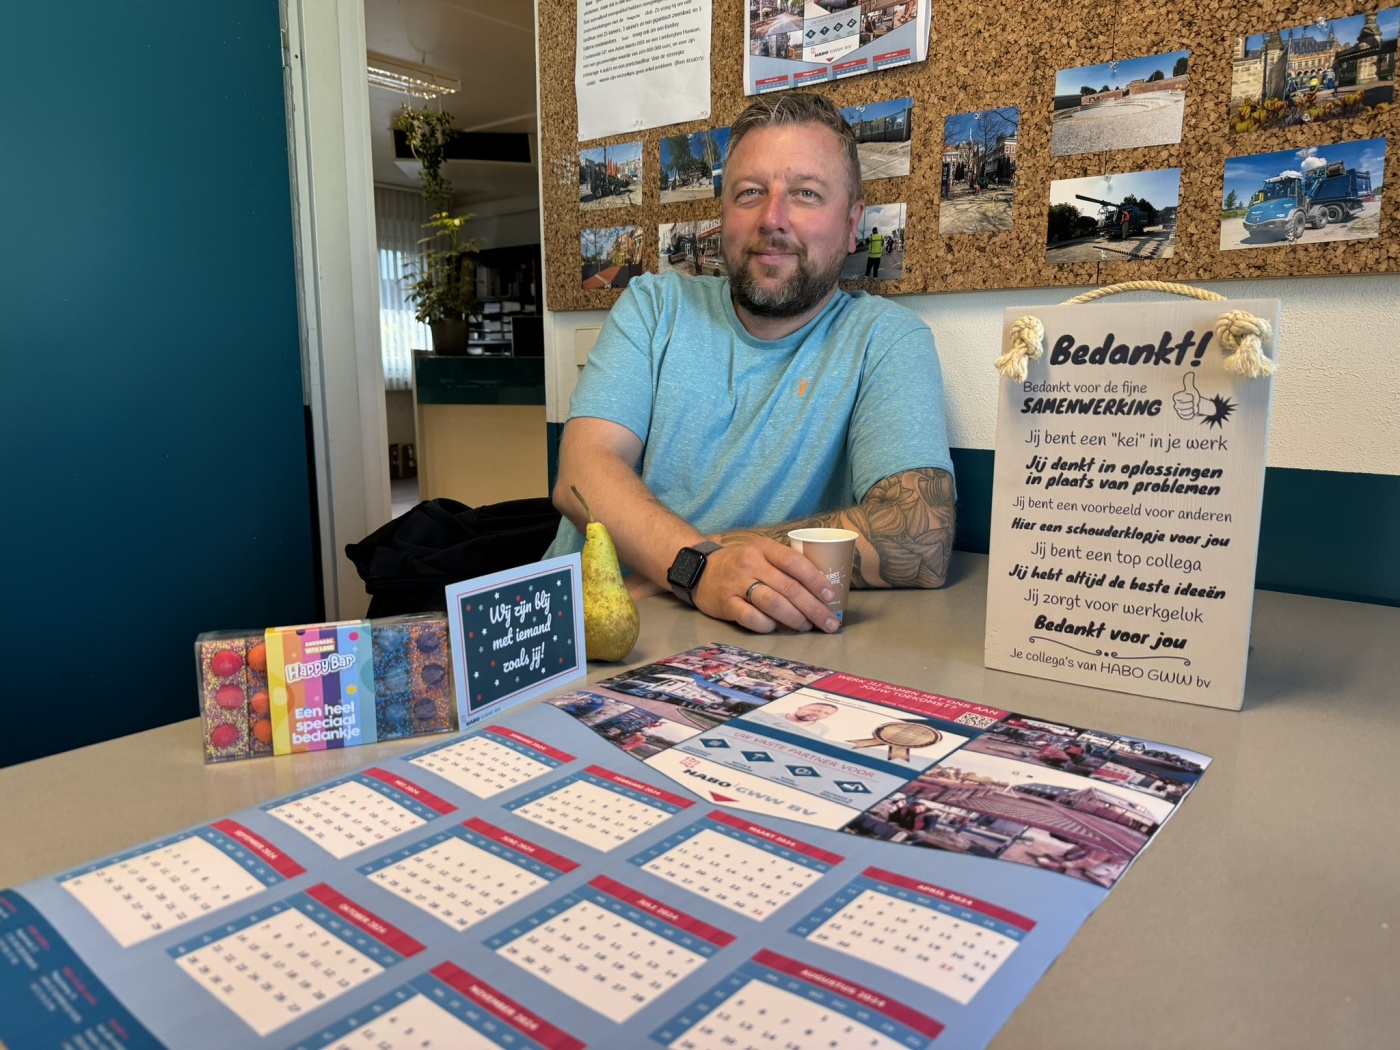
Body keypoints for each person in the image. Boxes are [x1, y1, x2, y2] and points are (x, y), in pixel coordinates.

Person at [546, 91, 955, 635]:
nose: (772, 218)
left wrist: (698, 565)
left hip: (741, 645)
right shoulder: (653, 306)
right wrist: (700, 569)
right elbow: (582, 472)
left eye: (806, 194)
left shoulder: (886, 340)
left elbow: (920, 539)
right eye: (750, 193)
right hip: (570, 627)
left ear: (851, 223)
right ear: (724, 213)